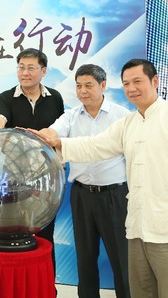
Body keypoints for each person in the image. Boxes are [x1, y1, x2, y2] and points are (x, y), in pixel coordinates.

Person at [28, 58, 168, 298]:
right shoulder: (128, 123)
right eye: (126, 83)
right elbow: (95, 146)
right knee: (141, 290)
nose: (131, 88)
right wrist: (57, 142)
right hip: (137, 226)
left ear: (155, 81)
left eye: (137, 81)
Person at [38, 64, 131, 298]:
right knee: (85, 257)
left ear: (103, 85)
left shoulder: (122, 116)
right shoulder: (71, 116)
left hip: (115, 197)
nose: (82, 91)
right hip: (81, 196)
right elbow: (53, 132)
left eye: (88, 85)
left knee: (122, 258)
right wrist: (45, 135)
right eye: (78, 86)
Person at [0, 47, 65, 278]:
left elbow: (61, 130)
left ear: (43, 71)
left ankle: (46, 287)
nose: (25, 73)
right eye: (21, 67)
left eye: (31, 68)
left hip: (45, 179)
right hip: (12, 179)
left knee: (44, 237)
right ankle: (12, 287)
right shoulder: (5, 97)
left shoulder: (55, 98)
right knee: (9, 233)